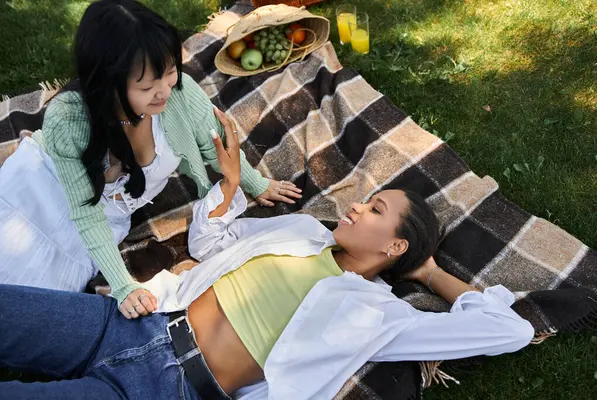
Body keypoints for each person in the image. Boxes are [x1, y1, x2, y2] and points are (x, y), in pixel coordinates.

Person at [0, 105, 535, 400]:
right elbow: (210, 244)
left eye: (374, 210)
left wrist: (430, 273)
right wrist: (230, 185)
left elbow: (510, 331)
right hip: (133, 317)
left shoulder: (382, 315)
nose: (353, 208)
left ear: (395, 245)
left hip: (169, 389)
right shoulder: (303, 231)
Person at [0, 0, 301, 318]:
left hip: (105, 216)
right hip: (41, 185)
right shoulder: (69, 118)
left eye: (170, 72)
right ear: (108, 83)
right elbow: (85, 213)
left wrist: (256, 182)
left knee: (25, 305)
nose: (164, 92)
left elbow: (218, 145)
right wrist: (123, 286)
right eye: (146, 85)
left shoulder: (181, 95)